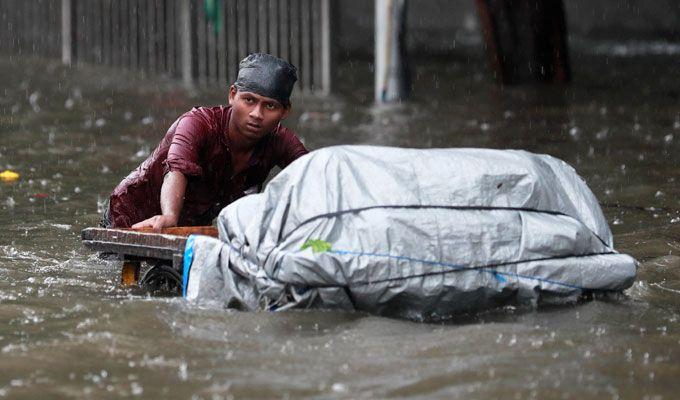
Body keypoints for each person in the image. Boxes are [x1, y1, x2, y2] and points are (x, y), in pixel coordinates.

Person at [101, 53, 308, 230]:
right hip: (131, 216)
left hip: (189, 227)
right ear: (232, 95)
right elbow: (176, 168)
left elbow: (315, 176)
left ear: (285, 111)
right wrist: (170, 216)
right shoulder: (197, 123)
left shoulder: (280, 142)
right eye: (249, 100)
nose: (256, 114)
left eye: (270, 106)